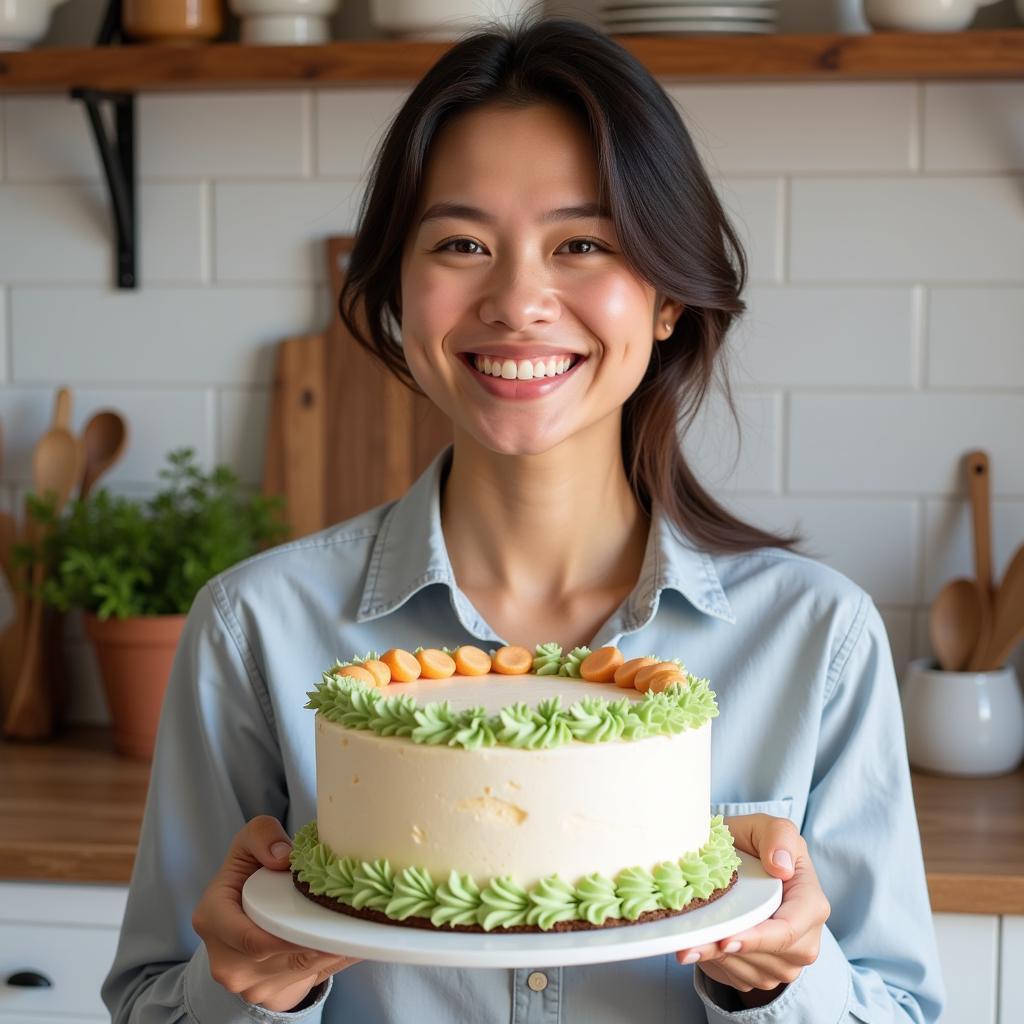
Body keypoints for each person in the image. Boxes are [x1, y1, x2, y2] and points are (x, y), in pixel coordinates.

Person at [102, 11, 945, 1023]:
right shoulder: (254, 629)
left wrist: (777, 981)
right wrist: (251, 994)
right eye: (461, 242)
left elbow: (899, 1008)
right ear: (393, 296)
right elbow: (154, 1003)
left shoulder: (818, 640)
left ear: (668, 297)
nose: (518, 299)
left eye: (581, 242)